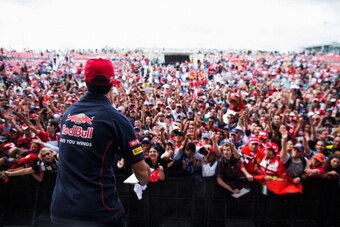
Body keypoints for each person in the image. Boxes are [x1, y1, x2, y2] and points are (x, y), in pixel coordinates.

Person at [50, 58, 151, 226]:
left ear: (86, 81)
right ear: (111, 84)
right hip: (98, 213)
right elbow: (142, 173)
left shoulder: (68, 113)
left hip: (61, 210)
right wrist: (146, 175)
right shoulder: (116, 119)